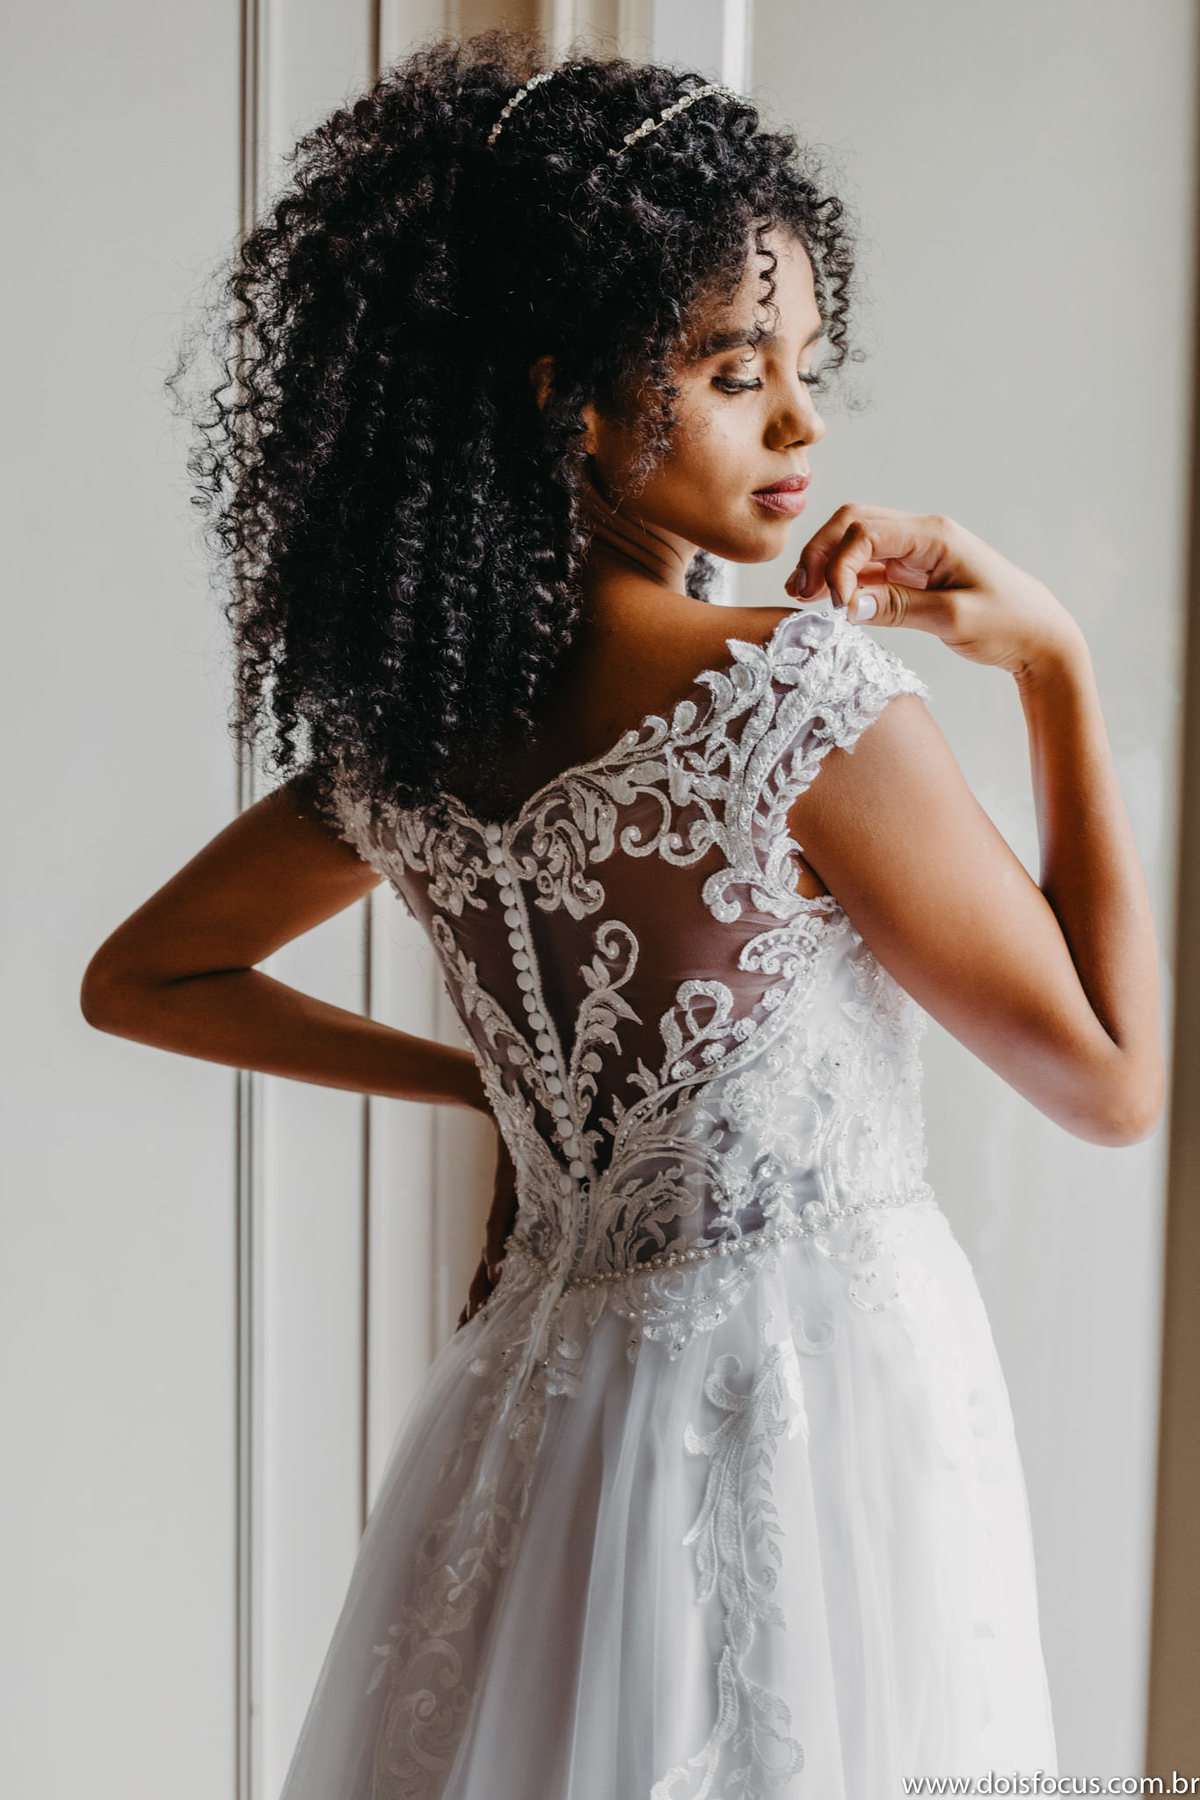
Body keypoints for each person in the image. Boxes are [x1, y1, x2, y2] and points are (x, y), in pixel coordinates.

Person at [80, 29, 1164, 1798]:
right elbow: (1114, 1085)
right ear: (562, 395)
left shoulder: (416, 736)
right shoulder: (793, 701)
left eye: (810, 364)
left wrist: (485, 1093)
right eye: (740, 372)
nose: (805, 424)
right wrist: (1053, 662)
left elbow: (144, 977)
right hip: (810, 1427)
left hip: (541, 1427)